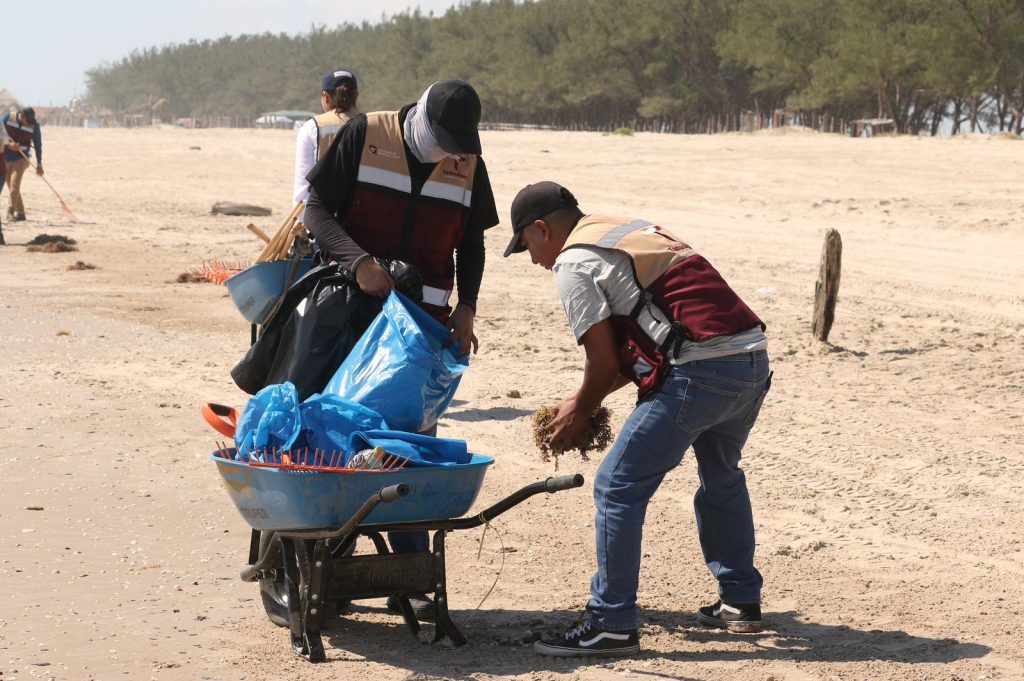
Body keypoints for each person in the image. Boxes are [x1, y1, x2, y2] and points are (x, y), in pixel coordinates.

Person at [503, 181, 771, 657]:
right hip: (749, 362)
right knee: (721, 475)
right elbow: (646, 343)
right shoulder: (621, 230)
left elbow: (603, 362)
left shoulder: (572, 261)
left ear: (541, 229)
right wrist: (580, 401)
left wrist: (582, 410)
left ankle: (610, 623)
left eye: (526, 245)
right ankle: (740, 600)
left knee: (616, 486)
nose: (532, 259)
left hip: (699, 371)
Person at [303, 79, 498, 617]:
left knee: (410, 443)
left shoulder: (468, 160)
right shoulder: (366, 134)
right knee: (339, 436)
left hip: (420, 332)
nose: (449, 154)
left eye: (458, 145)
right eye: (441, 141)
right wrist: (357, 262)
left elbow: (473, 241)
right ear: (420, 121)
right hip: (351, 317)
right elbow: (315, 211)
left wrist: (467, 306)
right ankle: (325, 565)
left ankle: (409, 574)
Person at [293, 69, 360, 223]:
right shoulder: (372, 124)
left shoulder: (313, 127)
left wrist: (299, 225)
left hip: (324, 222)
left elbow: (304, 186)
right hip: (361, 220)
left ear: (325, 97)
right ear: (357, 96)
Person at [2, 107, 43, 222]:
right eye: (27, 121)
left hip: (21, 158)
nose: (29, 124)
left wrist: (39, 164)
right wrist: (9, 145)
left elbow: (38, 145)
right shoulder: (7, 118)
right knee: (11, 187)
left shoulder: (34, 126)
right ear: (22, 116)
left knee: (14, 185)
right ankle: (21, 213)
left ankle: (10, 212)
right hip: (4, 157)